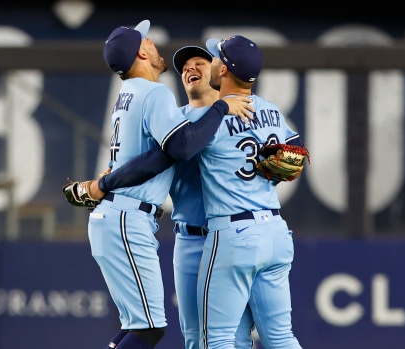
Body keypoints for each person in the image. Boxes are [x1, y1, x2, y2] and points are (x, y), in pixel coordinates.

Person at [86, 20, 254, 349]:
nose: (152, 43)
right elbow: (181, 146)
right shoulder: (157, 95)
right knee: (151, 329)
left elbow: (153, 159)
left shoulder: (129, 94)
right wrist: (221, 106)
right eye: (146, 39)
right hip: (133, 219)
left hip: (125, 215)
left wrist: (103, 183)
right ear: (141, 52)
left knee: (140, 325)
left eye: (199, 63)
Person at [195, 35, 304, 349]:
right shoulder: (271, 110)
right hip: (274, 231)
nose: (211, 61)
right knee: (281, 337)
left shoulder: (210, 117)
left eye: (216, 56)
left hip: (234, 234)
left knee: (216, 340)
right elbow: (296, 161)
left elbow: (178, 147)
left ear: (225, 70)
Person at [170, 45, 255, 349]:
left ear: (219, 71)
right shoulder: (172, 121)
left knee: (236, 336)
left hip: (234, 236)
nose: (189, 68)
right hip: (191, 239)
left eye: (198, 63)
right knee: (195, 336)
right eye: (184, 67)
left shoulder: (244, 113)